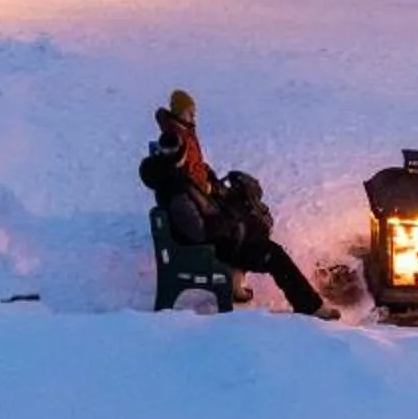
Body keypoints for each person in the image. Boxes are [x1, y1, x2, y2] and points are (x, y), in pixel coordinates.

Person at [143, 90, 338, 319]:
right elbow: (198, 233)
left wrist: (225, 208)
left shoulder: (177, 182)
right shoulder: (178, 191)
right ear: (180, 158)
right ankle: (310, 307)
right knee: (272, 253)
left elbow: (200, 208)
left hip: (218, 235)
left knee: (252, 219)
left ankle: (238, 279)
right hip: (216, 247)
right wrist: (231, 225)